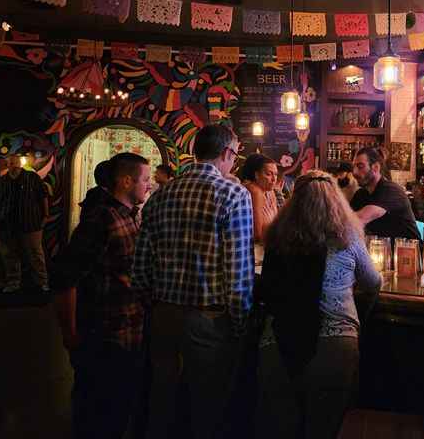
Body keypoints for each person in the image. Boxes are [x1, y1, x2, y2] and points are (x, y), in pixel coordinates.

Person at [132, 124, 254, 439]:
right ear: (227, 153)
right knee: (207, 405)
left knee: (162, 400)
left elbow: (141, 261)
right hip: (208, 318)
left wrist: (152, 305)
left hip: (163, 313)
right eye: (236, 156)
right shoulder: (233, 193)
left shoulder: (161, 193)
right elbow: (238, 269)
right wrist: (240, 323)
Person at [256, 170, 381, 439]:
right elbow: (373, 283)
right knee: (325, 428)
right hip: (335, 346)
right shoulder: (349, 239)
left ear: (294, 203)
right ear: (337, 200)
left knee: (282, 426)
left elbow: (266, 290)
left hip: (278, 342)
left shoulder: (277, 239)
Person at [51, 153, 152, 439]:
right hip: (104, 334)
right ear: (125, 181)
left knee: (119, 410)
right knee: (97, 413)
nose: (149, 185)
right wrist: (70, 334)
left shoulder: (129, 216)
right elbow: (64, 277)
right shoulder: (102, 219)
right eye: (144, 180)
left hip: (129, 332)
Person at [0, 153, 50, 293]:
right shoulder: (1, 181)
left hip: (31, 223)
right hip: (7, 225)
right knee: (10, 255)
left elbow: (43, 196)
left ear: (20, 163)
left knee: (36, 254)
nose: (14, 165)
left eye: (15, 162)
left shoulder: (32, 177)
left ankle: (42, 282)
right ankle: (13, 282)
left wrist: (45, 216)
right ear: (7, 164)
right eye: (11, 162)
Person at [350, 147, 420, 240]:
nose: (354, 172)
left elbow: (359, 219)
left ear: (375, 167)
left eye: (360, 166)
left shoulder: (391, 190)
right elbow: (345, 218)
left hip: (407, 251)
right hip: (379, 250)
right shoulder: (361, 194)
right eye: (354, 167)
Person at [238, 154, 279, 244]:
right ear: (256, 175)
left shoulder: (270, 191)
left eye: (276, 174)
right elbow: (258, 235)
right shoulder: (254, 190)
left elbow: (277, 224)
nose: (274, 179)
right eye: (268, 174)